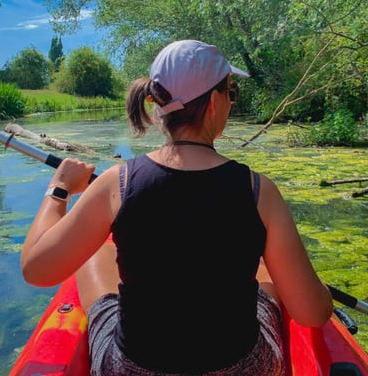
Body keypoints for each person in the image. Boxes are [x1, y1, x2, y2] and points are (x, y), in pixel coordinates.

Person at [21, 39, 333, 376]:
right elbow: (312, 314)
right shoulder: (259, 191)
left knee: (95, 254)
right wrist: (320, 292)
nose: (231, 100)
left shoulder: (115, 183)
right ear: (214, 101)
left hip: (134, 369)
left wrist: (60, 188)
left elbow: (37, 269)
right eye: (232, 91)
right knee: (267, 267)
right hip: (244, 369)